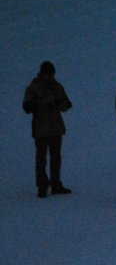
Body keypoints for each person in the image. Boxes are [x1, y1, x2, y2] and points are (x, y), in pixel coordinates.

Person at [22, 61, 72, 198]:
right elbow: (27, 107)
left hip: (53, 127)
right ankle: (44, 186)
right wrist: (44, 103)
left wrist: (58, 102)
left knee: (54, 158)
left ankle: (54, 184)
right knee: (42, 158)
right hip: (42, 127)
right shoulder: (35, 87)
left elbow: (66, 105)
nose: (50, 76)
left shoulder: (56, 86)